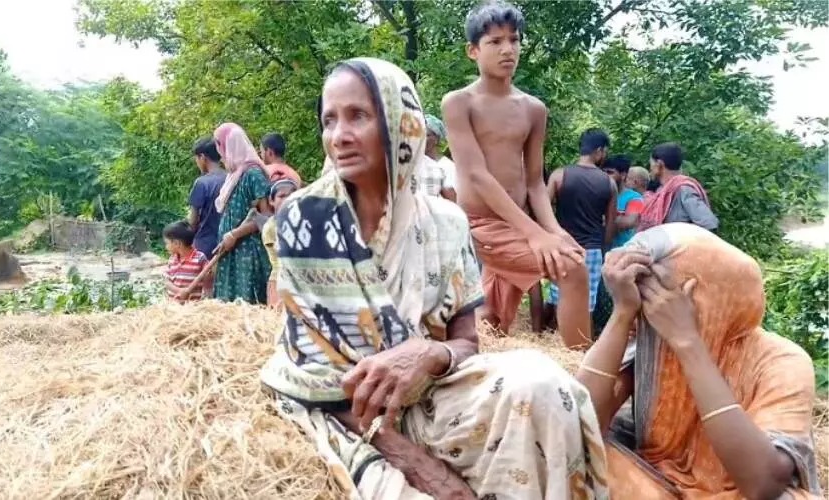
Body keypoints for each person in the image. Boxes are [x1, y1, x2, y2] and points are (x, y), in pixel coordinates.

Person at [260, 57, 608, 500]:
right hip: (343, 410)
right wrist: (418, 465)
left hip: (429, 393)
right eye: (329, 120)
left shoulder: (446, 222)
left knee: (544, 383)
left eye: (358, 116)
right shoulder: (304, 218)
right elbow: (317, 374)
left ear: (400, 125)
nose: (339, 135)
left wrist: (430, 353)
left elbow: (467, 342)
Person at [577, 223, 821, 499]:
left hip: (734, 493)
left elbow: (763, 483)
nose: (651, 311)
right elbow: (576, 426)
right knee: (574, 457)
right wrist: (622, 313)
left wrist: (688, 343)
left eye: (656, 297)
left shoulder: (782, 361)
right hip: (656, 487)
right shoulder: (653, 347)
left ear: (699, 296)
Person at [442, 1, 589, 347]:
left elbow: (535, 182)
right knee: (572, 270)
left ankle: (476, 369)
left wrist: (554, 231)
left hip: (518, 220)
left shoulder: (534, 109)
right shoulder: (459, 103)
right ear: (473, 51)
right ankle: (584, 369)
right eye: (495, 41)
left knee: (492, 321)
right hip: (480, 224)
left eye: (514, 39)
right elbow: (476, 175)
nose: (507, 49)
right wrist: (535, 235)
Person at [546, 128, 617, 316]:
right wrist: (604, 248)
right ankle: (581, 335)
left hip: (562, 247)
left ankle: (553, 332)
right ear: (599, 150)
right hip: (592, 250)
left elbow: (542, 210)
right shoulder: (609, 183)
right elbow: (611, 225)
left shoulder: (559, 175)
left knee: (558, 298)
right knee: (587, 304)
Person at [211, 122, 272, 303]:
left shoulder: (253, 174)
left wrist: (235, 234)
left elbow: (266, 217)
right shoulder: (234, 175)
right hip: (230, 250)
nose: (219, 152)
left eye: (220, 145)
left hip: (247, 252)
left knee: (247, 303)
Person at [639, 142, 718, 232]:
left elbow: (709, 223)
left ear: (659, 164)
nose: (650, 169)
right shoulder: (660, 191)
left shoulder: (683, 189)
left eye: (651, 164)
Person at [187, 138, 228, 259]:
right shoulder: (231, 178)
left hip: (205, 244)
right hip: (228, 242)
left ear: (202, 157)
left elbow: (193, 220)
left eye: (196, 158)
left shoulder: (202, 183)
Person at [260, 179, 297, 308]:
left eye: (291, 195)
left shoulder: (302, 222)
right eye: (282, 196)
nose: (287, 199)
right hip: (279, 281)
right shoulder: (271, 227)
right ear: (271, 201)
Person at [162, 220, 208, 303]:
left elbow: (208, 276)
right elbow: (166, 282)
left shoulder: (200, 258)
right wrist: (179, 291)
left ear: (177, 243)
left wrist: (209, 274)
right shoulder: (172, 259)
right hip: (173, 306)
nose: (166, 247)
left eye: (167, 243)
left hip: (192, 305)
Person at [424, 114, 457, 201]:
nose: (422, 139)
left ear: (436, 138)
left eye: (426, 135)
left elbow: (452, 200)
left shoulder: (447, 166)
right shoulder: (415, 164)